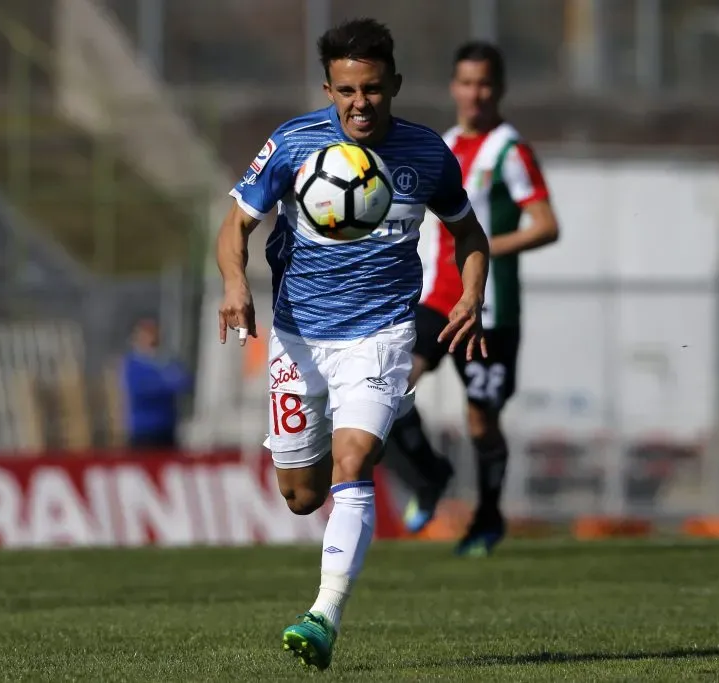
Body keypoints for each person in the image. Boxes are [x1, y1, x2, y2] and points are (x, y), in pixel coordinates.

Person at [215, 19, 490, 670]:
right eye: (346, 90)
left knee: (355, 460)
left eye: (371, 89)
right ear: (328, 88)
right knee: (302, 494)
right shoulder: (293, 143)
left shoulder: (425, 155)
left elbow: (469, 235)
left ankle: (323, 615)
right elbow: (236, 223)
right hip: (299, 336)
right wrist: (234, 281)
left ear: (393, 83)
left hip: (383, 332)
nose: (359, 103)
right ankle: (360, 455)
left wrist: (472, 295)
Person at [385, 41, 560, 557]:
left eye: (485, 83)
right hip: (438, 299)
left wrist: (482, 246)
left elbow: (547, 225)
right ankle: (429, 476)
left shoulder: (510, 150)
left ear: (498, 89)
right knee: (390, 382)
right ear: (453, 87)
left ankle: (486, 517)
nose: (475, 93)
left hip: (490, 309)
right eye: (466, 82)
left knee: (481, 420)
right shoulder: (442, 144)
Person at [119, 317, 193, 449]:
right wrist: (166, 383)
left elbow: (184, 381)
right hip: (144, 431)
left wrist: (166, 383)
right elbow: (142, 389)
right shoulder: (133, 364)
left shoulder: (166, 360)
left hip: (167, 427)